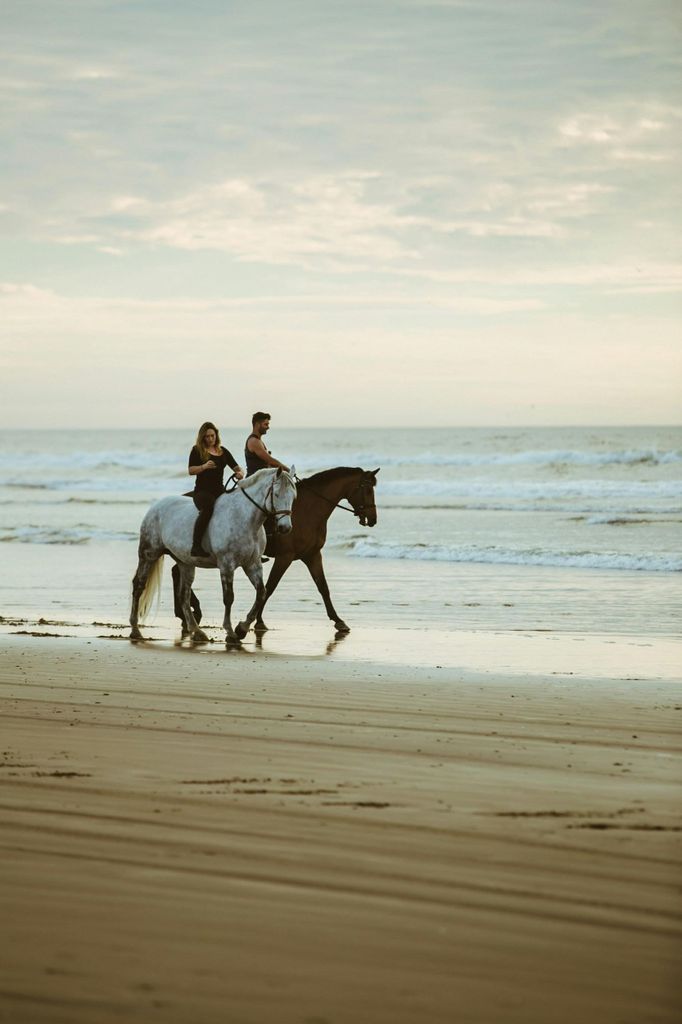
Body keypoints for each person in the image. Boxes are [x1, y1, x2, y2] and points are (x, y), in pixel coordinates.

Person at [189, 421, 244, 557]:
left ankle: (244, 545)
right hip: (202, 492)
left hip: (219, 490)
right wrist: (203, 467)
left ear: (216, 436)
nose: (210, 439)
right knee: (208, 508)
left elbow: (237, 468)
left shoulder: (223, 451)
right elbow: (191, 470)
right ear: (202, 437)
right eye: (207, 436)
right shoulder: (197, 450)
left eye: (212, 436)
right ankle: (196, 547)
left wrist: (240, 474)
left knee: (238, 507)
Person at [244, 411, 290, 477]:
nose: (268, 427)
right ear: (257, 425)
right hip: (255, 481)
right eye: (266, 424)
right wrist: (288, 470)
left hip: (261, 479)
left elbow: (266, 464)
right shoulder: (254, 441)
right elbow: (270, 460)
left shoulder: (258, 440)